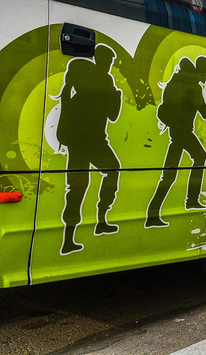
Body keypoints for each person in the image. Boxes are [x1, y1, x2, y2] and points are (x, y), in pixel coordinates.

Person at [57, 44, 123, 254]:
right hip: (92, 141)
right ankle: (101, 220)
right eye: (109, 61)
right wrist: (117, 96)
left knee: (76, 187)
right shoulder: (104, 80)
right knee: (111, 170)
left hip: (78, 140)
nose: (110, 65)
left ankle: (69, 238)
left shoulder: (80, 82)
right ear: (103, 60)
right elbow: (113, 114)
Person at [147, 56, 206, 227]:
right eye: (205, 73)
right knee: (187, 164)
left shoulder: (175, 82)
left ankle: (156, 212)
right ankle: (186, 201)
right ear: (200, 71)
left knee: (172, 172)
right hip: (182, 132)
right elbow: (204, 112)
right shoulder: (192, 87)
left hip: (177, 131)